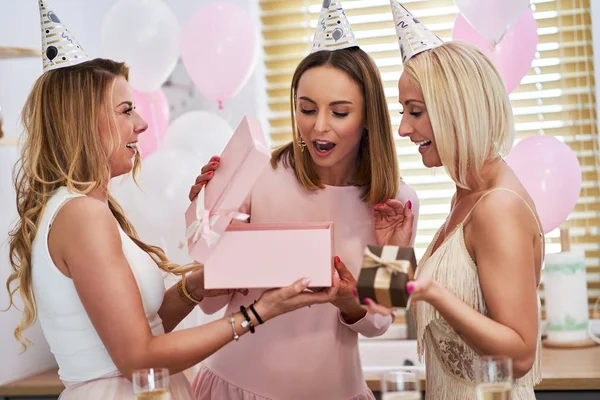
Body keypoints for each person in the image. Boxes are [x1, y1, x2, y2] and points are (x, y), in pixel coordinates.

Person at [4, 3, 335, 399]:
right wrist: (259, 312)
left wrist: (197, 285)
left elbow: (143, 329)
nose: (141, 124)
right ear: (83, 122)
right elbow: (137, 357)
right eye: (126, 111)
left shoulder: (85, 208)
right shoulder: (81, 215)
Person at [189, 2, 419, 399]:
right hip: (235, 388)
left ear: (368, 118)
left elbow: (380, 321)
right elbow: (210, 305)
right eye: (307, 109)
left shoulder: (396, 203)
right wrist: (208, 221)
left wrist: (353, 304)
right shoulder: (257, 173)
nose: (319, 126)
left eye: (340, 112)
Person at [388, 2, 543, 399]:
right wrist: (394, 246)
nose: (404, 128)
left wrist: (434, 294)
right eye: (403, 111)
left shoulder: (497, 207)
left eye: (416, 112)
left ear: (455, 111)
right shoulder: (467, 193)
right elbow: (380, 306)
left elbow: (521, 353)